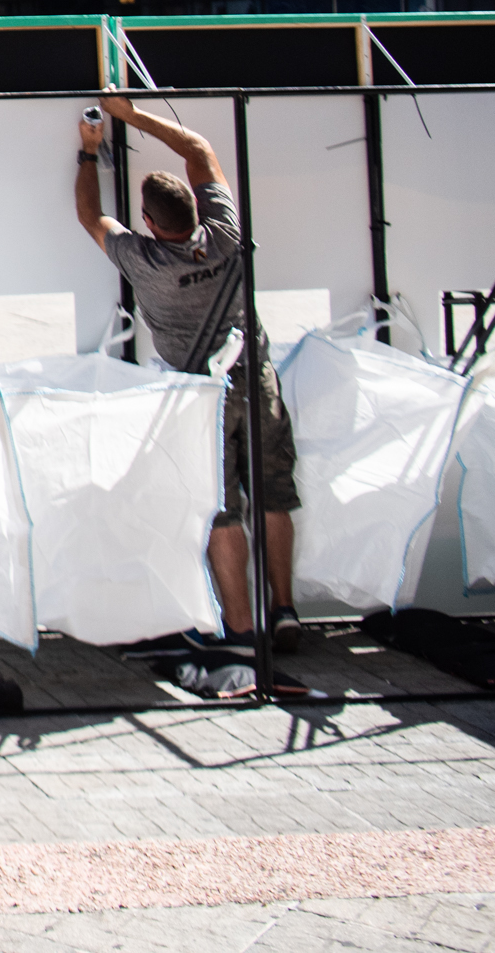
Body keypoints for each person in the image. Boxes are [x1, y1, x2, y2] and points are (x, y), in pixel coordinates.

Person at [73, 94, 300, 647]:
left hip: (201, 400)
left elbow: (89, 215)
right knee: (273, 493)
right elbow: (197, 148)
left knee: (222, 509)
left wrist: (88, 152)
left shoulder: (144, 260)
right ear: (197, 208)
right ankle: (286, 611)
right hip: (257, 376)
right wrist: (128, 114)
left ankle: (242, 629)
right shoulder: (225, 234)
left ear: (148, 223)